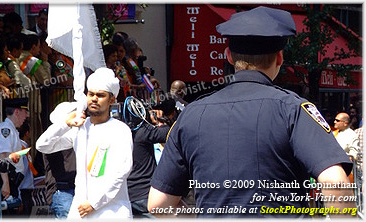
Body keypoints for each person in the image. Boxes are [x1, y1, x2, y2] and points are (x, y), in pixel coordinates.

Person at [147, 6, 355, 218]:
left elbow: (158, 204)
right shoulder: (294, 110)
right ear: (280, 58)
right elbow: (336, 183)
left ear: (229, 56)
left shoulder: (191, 115)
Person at [36, 67, 133, 218]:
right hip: (80, 209)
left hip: (111, 210)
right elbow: (43, 145)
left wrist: (94, 203)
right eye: (91, 94)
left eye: (100, 95)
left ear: (111, 99)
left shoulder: (120, 130)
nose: (94, 99)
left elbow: (121, 172)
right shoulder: (80, 128)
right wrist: (66, 124)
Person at [128, 98, 175, 218]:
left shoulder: (119, 132)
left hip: (127, 196)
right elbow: (168, 133)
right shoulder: (143, 132)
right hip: (145, 195)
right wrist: (157, 120)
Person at [0, 98, 32, 216]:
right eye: (25, 112)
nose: (27, 115)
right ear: (17, 112)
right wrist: (6, 183)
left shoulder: (12, 130)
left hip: (12, 182)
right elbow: (3, 157)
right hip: (5, 182)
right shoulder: (6, 129)